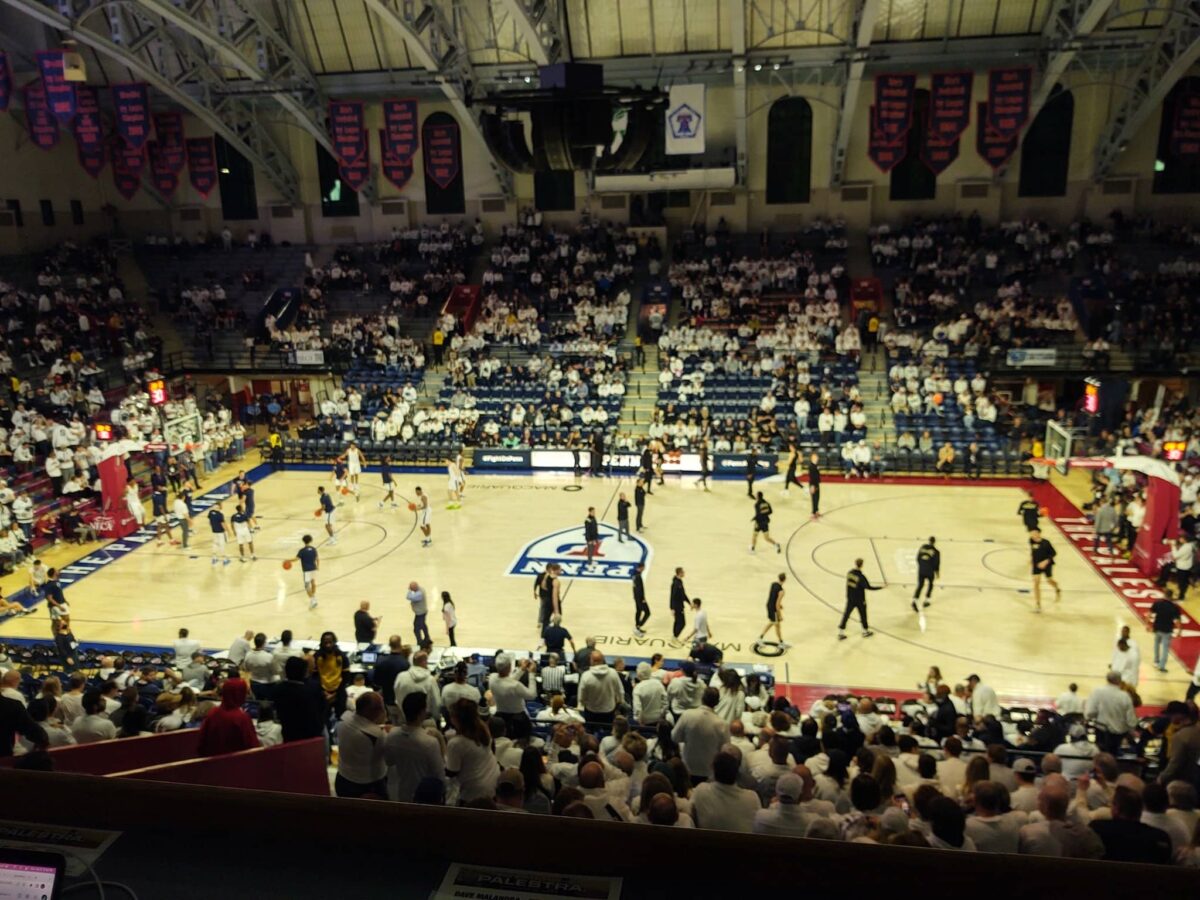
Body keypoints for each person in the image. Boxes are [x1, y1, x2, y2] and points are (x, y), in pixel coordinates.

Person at [384, 691, 446, 803]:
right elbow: (440, 776)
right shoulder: (430, 742)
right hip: (425, 797)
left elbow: (389, 761)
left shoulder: (392, 735)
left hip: (400, 794)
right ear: (422, 712)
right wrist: (440, 738)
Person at [1090, 785, 1173, 864]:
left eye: (1113, 804)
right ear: (1141, 811)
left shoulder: (1097, 829)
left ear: (1116, 809)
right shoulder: (1161, 838)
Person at [691, 747, 759, 832]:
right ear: (737, 772)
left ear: (713, 770)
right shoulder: (752, 798)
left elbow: (690, 814)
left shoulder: (700, 790)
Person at [335, 691, 389, 798]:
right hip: (367, 785)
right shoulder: (378, 735)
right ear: (375, 712)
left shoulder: (344, 718)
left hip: (343, 778)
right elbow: (390, 759)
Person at [445, 698, 498, 804]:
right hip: (492, 782)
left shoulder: (456, 743)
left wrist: (441, 743)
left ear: (456, 719)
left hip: (473, 793)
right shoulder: (483, 728)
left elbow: (451, 772)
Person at [672, 688, 729, 783]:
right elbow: (724, 751)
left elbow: (675, 737)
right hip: (708, 772)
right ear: (717, 703)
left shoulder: (687, 715)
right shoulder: (722, 724)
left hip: (687, 768)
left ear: (702, 698)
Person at [197, 678, 259, 756]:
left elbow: (202, 741)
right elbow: (252, 746)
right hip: (235, 763)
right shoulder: (242, 718)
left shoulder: (212, 712)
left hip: (211, 762)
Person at [1085, 670, 1137, 754]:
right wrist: (1131, 730)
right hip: (1119, 734)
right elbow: (1131, 720)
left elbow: (1090, 713)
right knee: (1114, 753)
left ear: (1107, 679)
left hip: (1101, 731)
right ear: (1120, 681)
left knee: (1100, 753)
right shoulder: (1125, 696)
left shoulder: (1097, 692)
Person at [838, 558, 882, 640]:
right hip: (859, 600)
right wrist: (881, 587)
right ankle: (865, 631)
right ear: (862, 565)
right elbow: (869, 587)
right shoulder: (861, 577)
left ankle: (841, 632)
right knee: (863, 615)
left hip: (850, 598)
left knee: (846, 614)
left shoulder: (849, 573)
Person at [577, 651, 623, 725]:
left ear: (592, 661)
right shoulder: (613, 673)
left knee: (591, 731)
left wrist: (583, 704)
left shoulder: (586, 676)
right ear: (603, 660)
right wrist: (620, 702)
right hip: (609, 711)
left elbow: (581, 698)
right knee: (607, 730)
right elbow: (620, 691)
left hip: (591, 711)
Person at [1149, 594, 1183, 673]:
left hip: (1157, 628)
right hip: (1167, 630)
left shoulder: (1157, 603)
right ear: (1171, 597)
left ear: (1164, 595)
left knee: (1156, 644)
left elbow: (1149, 614)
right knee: (1165, 648)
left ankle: (1156, 661)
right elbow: (1177, 621)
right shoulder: (1174, 607)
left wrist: (1148, 625)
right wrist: (1179, 631)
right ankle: (1161, 666)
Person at [1029, 528, 1060, 613]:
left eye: (1035, 533)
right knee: (1036, 583)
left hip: (1047, 565)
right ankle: (1038, 604)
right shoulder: (1031, 540)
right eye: (1031, 533)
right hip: (1036, 565)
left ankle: (1057, 588)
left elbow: (1054, 553)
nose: (1033, 535)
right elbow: (1033, 550)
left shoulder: (1046, 543)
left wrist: (1045, 562)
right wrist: (1031, 559)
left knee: (1049, 580)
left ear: (1039, 534)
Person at [759, 573, 787, 647]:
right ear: (785, 580)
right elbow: (777, 605)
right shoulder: (782, 591)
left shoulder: (773, 584)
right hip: (773, 609)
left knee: (775, 624)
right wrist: (780, 615)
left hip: (769, 605)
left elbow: (772, 596)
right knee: (775, 624)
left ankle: (781, 641)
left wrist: (779, 605)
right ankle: (760, 638)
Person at [913, 536, 940, 611]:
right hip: (929, 571)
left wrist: (922, 565)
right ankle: (927, 600)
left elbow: (918, 558)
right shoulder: (936, 552)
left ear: (929, 541)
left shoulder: (923, 547)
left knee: (920, 585)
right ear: (934, 542)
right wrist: (937, 572)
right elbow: (936, 564)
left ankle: (915, 600)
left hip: (921, 570)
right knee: (930, 584)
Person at [535, 563, 561, 631]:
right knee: (558, 619)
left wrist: (548, 590)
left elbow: (543, 586)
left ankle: (543, 637)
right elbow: (554, 596)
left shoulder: (547, 576)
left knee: (545, 620)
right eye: (560, 570)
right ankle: (555, 633)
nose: (561, 571)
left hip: (547, 600)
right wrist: (556, 610)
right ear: (556, 570)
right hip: (553, 602)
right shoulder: (556, 581)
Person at [296, 534, 320, 610]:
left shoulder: (302, 551)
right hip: (314, 568)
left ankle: (313, 599)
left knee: (307, 586)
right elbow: (317, 559)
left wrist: (288, 561)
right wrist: (318, 566)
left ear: (303, 541)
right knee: (313, 583)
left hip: (306, 571)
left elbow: (296, 559)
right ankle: (313, 597)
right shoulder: (313, 549)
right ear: (311, 540)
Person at [207, 499, 232, 566]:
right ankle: (224, 560)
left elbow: (210, 521)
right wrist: (229, 531)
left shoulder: (210, 512)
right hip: (220, 532)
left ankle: (214, 558)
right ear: (219, 506)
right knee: (222, 545)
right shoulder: (220, 515)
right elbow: (223, 524)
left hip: (214, 531)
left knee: (215, 544)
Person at [670, 567, 689, 639]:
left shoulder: (679, 582)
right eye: (683, 572)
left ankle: (674, 636)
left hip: (679, 606)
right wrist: (672, 608)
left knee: (677, 621)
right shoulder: (675, 583)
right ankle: (675, 636)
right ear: (679, 573)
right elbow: (672, 596)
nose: (684, 573)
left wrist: (689, 602)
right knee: (682, 623)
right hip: (677, 607)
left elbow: (683, 594)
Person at [632, 562, 649, 637]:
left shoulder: (634, 574)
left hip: (636, 597)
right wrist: (642, 598)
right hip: (639, 598)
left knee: (638, 611)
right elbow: (639, 589)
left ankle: (637, 627)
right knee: (647, 612)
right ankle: (637, 627)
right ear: (641, 567)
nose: (644, 569)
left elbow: (634, 587)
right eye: (644, 567)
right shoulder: (638, 576)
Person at [582, 506, 600, 570]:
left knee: (592, 550)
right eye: (592, 512)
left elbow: (595, 528)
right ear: (589, 512)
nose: (594, 513)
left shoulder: (593, 518)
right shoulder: (588, 520)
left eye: (594, 511)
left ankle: (591, 561)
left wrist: (596, 538)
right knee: (589, 551)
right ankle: (589, 564)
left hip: (594, 537)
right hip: (590, 539)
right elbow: (587, 531)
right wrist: (589, 540)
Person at [804, 452, 821, 518]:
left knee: (817, 498)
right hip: (813, 484)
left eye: (817, 456)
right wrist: (812, 486)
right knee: (814, 498)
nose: (817, 458)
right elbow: (812, 477)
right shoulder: (811, 466)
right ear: (812, 458)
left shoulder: (816, 465)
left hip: (816, 484)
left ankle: (816, 510)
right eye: (815, 457)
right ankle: (813, 513)